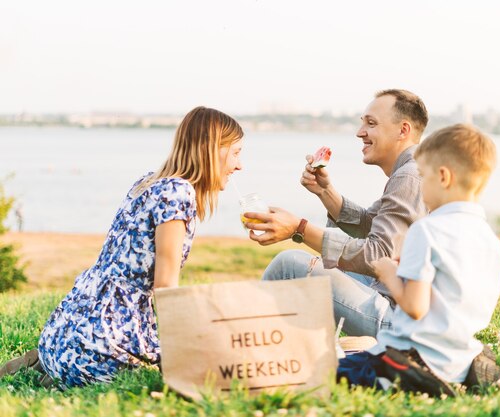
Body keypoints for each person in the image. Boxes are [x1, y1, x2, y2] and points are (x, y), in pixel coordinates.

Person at [0, 107, 244, 387]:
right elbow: (165, 288)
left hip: (68, 326)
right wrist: (181, 356)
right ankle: (67, 374)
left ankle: (47, 362)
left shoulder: (149, 181)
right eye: (236, 153)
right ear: (212, 150)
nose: (239, 165)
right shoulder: (179, 193)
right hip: (104, 339)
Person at [244, 89, 428, 337]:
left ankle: (244, 345)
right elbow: (371, 225)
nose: (359, 132)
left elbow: (378, 254)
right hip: (401, 299)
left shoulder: (409, 176)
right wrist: (325, 192)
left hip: (400, 318)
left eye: (371, 123)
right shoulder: (411, 170)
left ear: (403, 130)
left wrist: (299, 228)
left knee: (288, 265)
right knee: (325, 262)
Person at [337, 124, 500, 393]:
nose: (420, 187)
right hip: (458, 360)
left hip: (410, 356)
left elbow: (415, 307)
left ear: (443, 177)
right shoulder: (490, 242)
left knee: (326, 367)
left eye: (423, 177)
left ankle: (408, 379)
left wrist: (388, 274)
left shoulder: (427, 230)